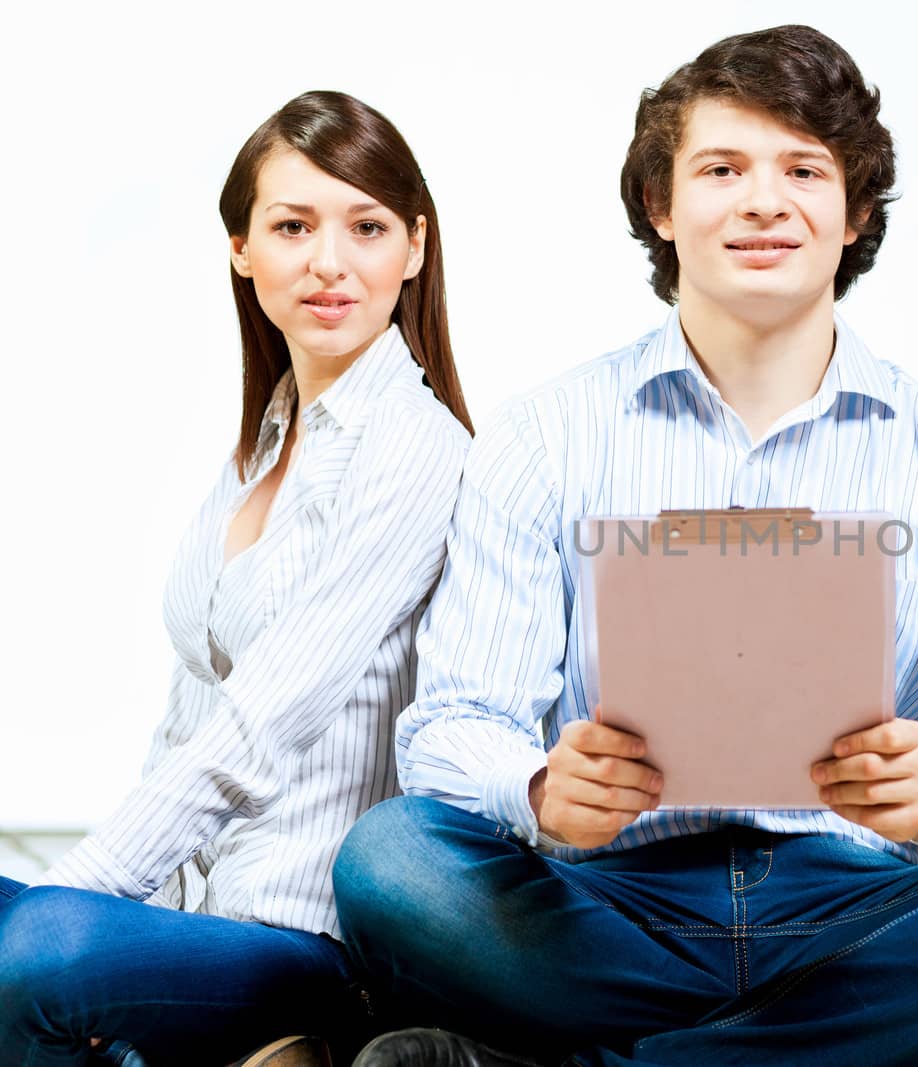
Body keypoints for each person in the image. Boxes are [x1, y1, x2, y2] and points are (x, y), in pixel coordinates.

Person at [332, 26, 918, 1067]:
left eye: (804, 170)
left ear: (855, 211)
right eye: (722, 169)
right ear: (660, 204)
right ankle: (906, 1049)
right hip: (610, 907)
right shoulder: (543, 436)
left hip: (871, 910)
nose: (764, 201)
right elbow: (453, 726)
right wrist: (541, 789)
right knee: (391, 860)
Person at [0, 90, 473, 1066]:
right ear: (240, 247)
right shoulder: (258, 453)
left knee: (37, 950)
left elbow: (258, 725)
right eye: (292, 225)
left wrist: (75, 898)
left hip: (302, 939)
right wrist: (123, 904)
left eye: (366, 226)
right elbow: (185, 718)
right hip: (195, 916)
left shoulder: (416, 449)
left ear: (415, 246)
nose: (328, 261)